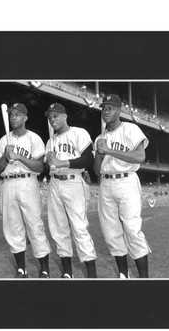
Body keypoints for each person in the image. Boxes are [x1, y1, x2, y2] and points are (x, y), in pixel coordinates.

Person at [94, 94, 151, 278]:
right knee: (111, 232)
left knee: (132, 229)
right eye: (104, 108)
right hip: (106, 183)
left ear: (120, 110)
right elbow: (97, 170)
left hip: (127, 181)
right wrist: (99, 152)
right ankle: (123, 274)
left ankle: (143, 276)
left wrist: (109, 150)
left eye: (110, 108)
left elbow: (140, 156)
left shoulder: (130, 129)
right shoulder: (100, 137)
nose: (105, 111)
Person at [0, 102, 51, 278]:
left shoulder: (34, 138)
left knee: (35, 225)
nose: (13, 117)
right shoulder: (4, 140)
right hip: (9, 183)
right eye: (11, 114)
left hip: (28, 182)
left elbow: (40, 167)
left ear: (25, 117)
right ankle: (21, 268)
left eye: (17, 114)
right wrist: (5, 155)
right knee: (12, 227)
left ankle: (45, 268)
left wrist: (18, 156)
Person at [45, 102, 97, 278]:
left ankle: (91, 274)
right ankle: (67, 272)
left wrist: (62, 162)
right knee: (58, 229)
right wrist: (49, 163)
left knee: (79, 228)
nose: (52, 119)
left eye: (55, 115)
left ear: (65, 116)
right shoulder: (49, 141)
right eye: (50, 117)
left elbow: (88, 158)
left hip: (74, 182)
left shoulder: (78, 133)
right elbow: (49, 167)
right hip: (55, 183)